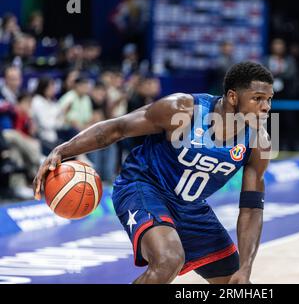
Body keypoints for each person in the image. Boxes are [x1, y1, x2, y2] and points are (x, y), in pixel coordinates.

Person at [33, 61, 274, 284]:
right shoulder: (182, 109)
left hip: (190, 206)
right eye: (258, 99)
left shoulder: (259, 142)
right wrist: (63, 151)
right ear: (233, 97)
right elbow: (117, 128)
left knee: (238, 285)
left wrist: (246, 266)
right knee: (168, 259)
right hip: (144, 186)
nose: (266, 107)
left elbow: (252, 208)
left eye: (269, 100)